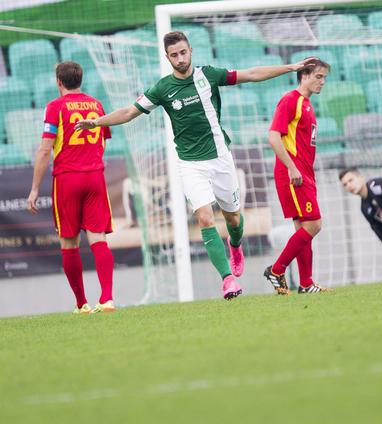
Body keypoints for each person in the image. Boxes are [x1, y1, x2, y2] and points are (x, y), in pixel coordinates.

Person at [77, 31, 314, 298]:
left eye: (183, 52)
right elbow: (129, 112)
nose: (180, 58)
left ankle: (235, 244)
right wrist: (97, 122)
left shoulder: (209, 75)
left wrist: (290, 68)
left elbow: (252, 73)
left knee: (233, 218)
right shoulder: (162, 89)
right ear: (167, 58)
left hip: (221, 158)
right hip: (190, 164)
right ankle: (227, 280)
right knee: (204, 217)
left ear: (190, 50)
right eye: (174, 55)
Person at [27, 61, 115, 314]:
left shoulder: (54, 107)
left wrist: (34, 188)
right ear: (80, 79)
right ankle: (107, 298)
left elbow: (45, 150)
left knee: (69, 241)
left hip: (67, 178)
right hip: (95, 176)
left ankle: (81, 304)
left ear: (58, 81)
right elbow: (103, 140)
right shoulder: (96, 105)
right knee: (98, 237)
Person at [263, 58, 330, 295]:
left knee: (303, 228)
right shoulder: (291, 100)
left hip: (303, 173)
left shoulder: (307, 104)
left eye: (324, 78)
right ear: (304, 75)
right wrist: (292, 168)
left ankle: (306, 283)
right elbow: (273, 137)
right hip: (292, 173)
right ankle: (277, 269)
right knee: (314, 224)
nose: (322, 82)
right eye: (318, 76)